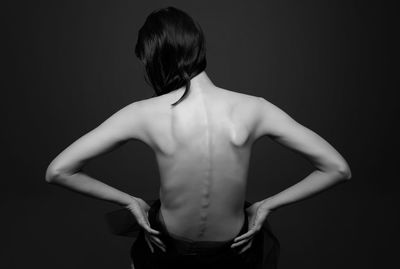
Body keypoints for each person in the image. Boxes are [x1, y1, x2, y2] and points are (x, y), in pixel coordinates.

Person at [45, 6, 352, 269]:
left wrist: (129, 202)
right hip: (234, 254)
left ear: (156, 59)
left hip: (164, 251)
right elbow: (337, 168)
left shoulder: (141, 113)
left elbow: (58, 170)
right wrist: (266, 205)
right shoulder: (255, 108)